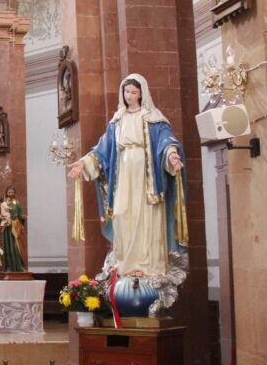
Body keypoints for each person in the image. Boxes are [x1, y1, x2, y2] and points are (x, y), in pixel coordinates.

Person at [68, 74, 187, 280]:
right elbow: (102, 150)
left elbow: (166, 142)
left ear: (141, 93)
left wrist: (172, 155)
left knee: (146, 214)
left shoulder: (153, 119)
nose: (129, 95)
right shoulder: (117, 121)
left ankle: (150, 266)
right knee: (123, 214)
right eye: (126, 91)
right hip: (123, 172)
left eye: (133, 92)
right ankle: (124, 264)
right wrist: (84, 162)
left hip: (146, 175)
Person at [0, 186, 27, 272]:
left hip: (16, 227)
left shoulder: (17, 203)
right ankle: (8, 267)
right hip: (6, 228)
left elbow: (20, 214)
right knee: (7, 246)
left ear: (14, 193)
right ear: (6, 193)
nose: (10, 194)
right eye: (9, 192)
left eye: (12, 192)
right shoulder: (3, 203)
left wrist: (23, 217)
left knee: (15, 247)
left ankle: (18, 266)